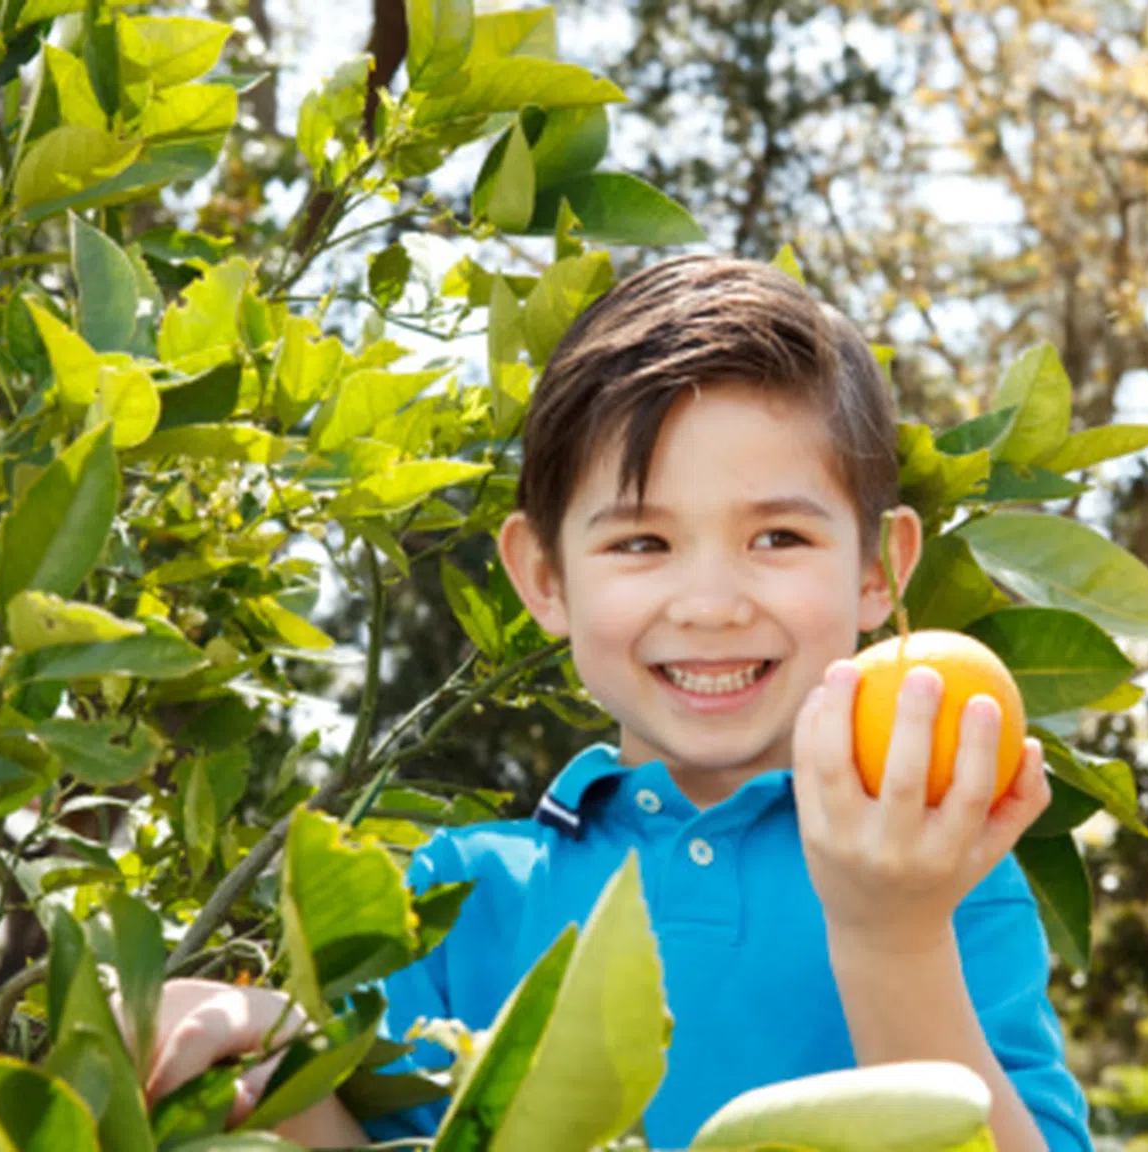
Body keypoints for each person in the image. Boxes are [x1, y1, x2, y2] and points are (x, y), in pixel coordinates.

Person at [143, 255, 1092, 1151]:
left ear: (880, 572)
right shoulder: (457, 895)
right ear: (543, 577)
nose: (713, 604)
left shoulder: (942, 881)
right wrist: (272, 1063)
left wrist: (894, 935)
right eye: (641, 543)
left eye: (779, 537)